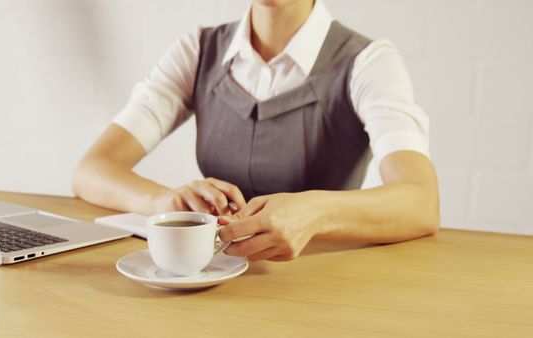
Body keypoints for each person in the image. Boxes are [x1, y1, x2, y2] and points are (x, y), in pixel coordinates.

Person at [73, 0, 440, 262]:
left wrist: (315, 212)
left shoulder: (368, 61)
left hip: (318, 284)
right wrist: (166, 202)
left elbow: (421, 203)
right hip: (210, 281)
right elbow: (91, 171)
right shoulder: (198, 50)